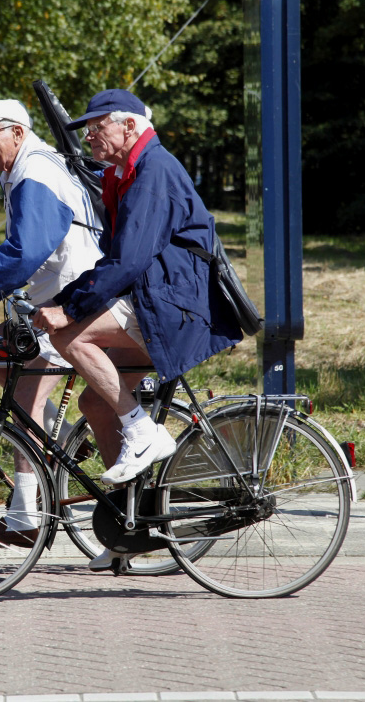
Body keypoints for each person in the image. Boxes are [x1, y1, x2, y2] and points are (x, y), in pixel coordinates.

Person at [33, 89, 242, 569]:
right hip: (161, 298)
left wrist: (69, 313)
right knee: (93, 401)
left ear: (128, 126)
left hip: (176, 307)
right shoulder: (130, 174)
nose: (89, 134)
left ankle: (143, 431)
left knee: (71, 337)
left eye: (97, 124)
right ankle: (126, 525)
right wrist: (63, 300)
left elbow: (129, 261)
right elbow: (115, 260)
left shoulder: (153, 172)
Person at [0, 98, 104, 548]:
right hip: (51, 295)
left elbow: (27, 251)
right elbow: (28, 255)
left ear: (16, 132)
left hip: (72, 300)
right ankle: (67, 442)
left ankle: (26, 518)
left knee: (26, 396)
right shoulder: (21, 169)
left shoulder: (36, 172)